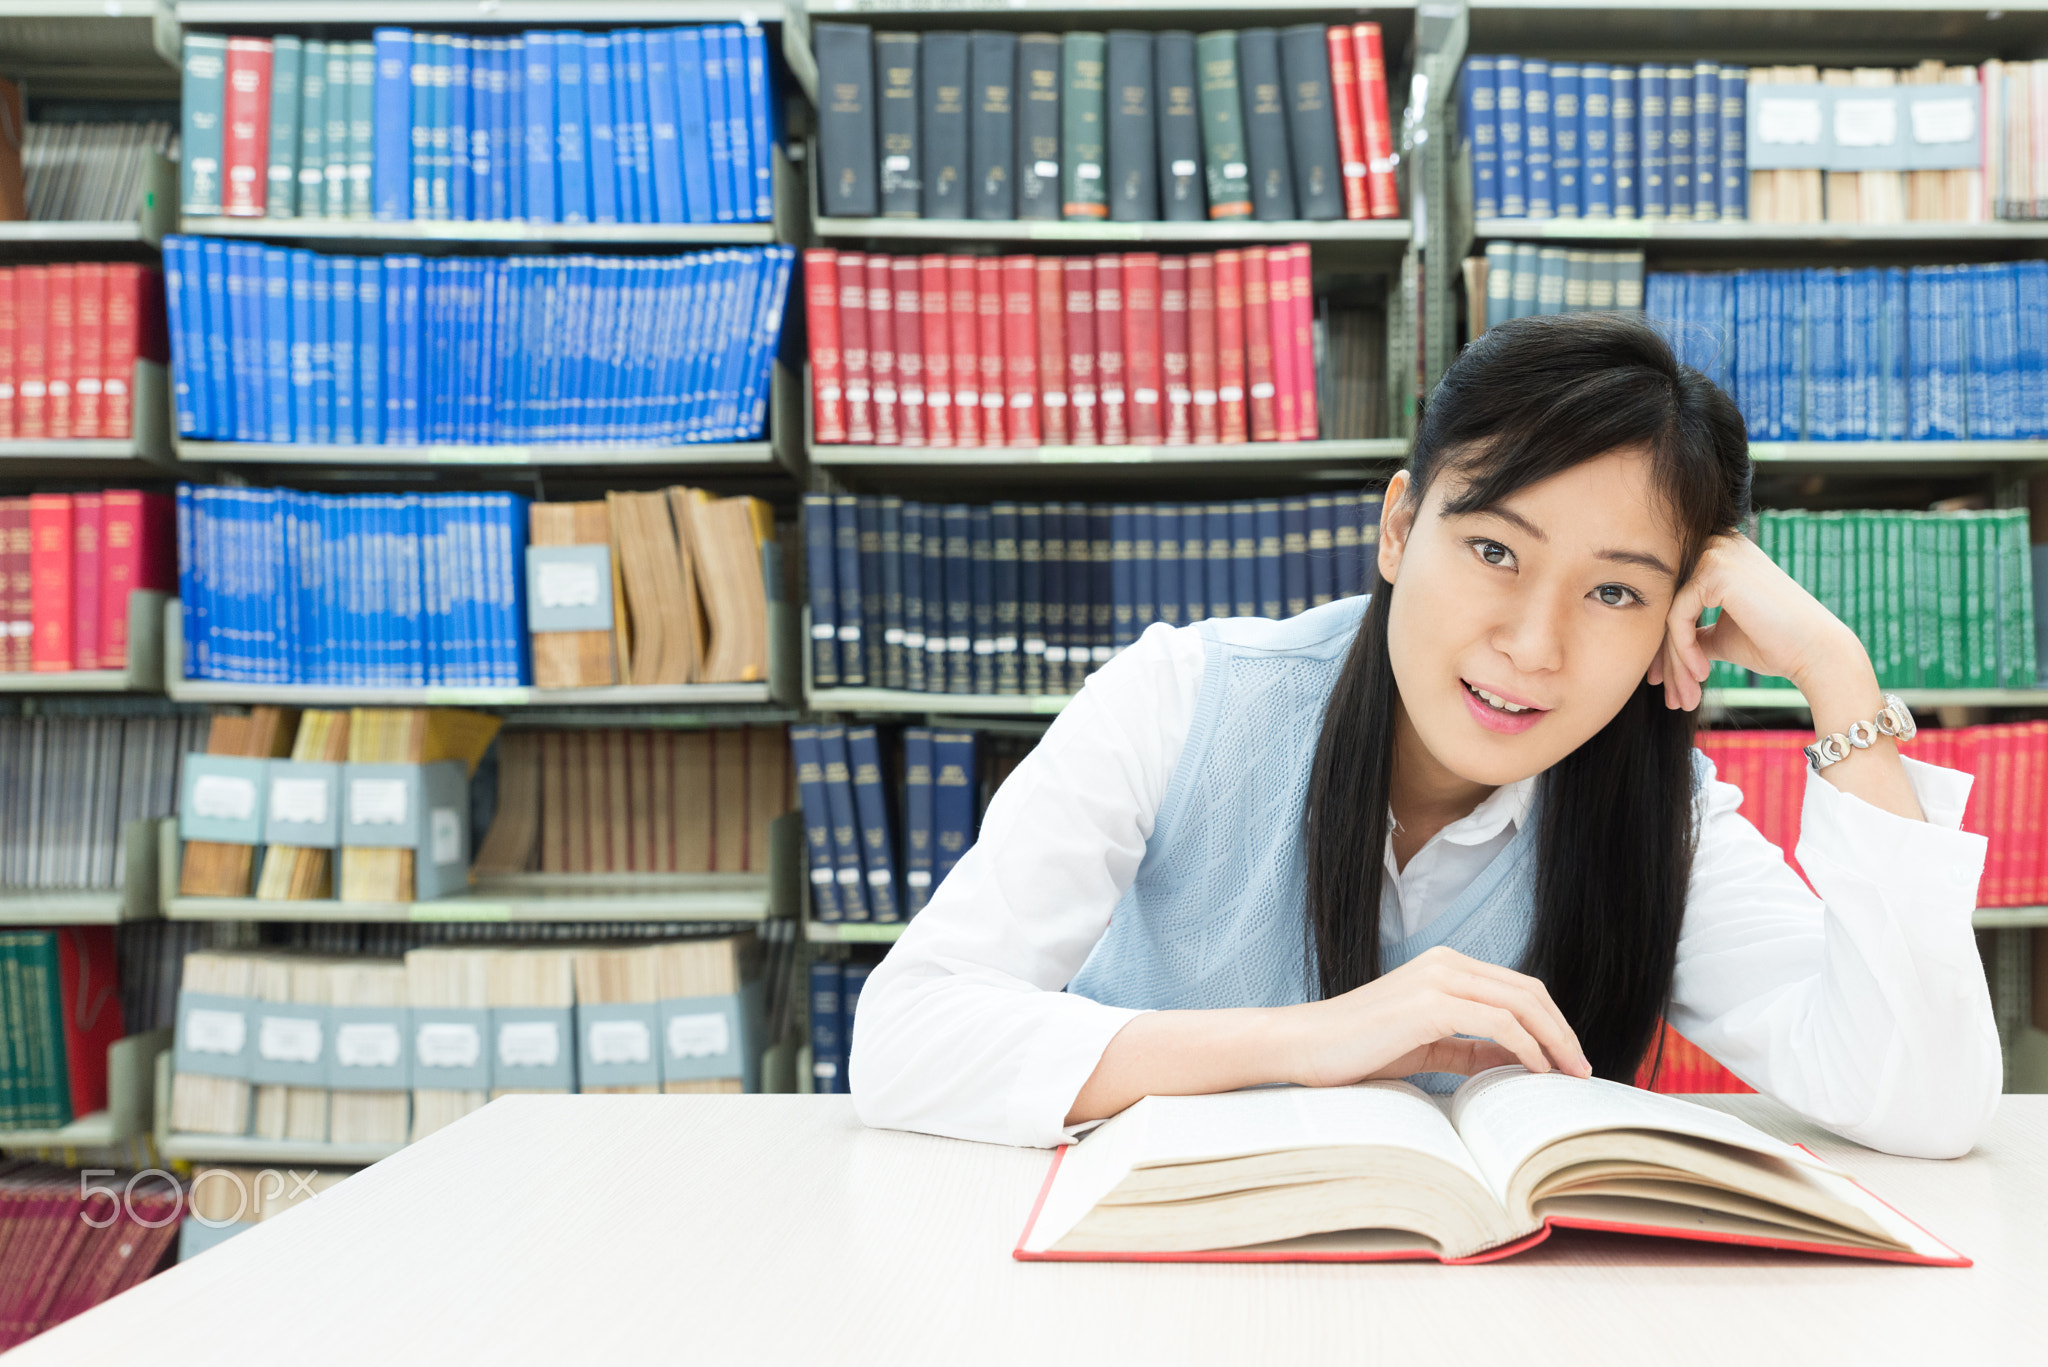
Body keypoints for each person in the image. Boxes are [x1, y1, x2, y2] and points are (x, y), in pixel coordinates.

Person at [848, 312, 2001, 1159]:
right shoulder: (1180, 699)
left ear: (1673, 619)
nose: (1532, 645)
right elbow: (908, 1036)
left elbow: (1923, 1102)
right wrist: (1309, 1038)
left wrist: (1834, 674)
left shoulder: (1656, 812)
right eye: (1494, 550)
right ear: (1400, 527)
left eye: (1612, 593)